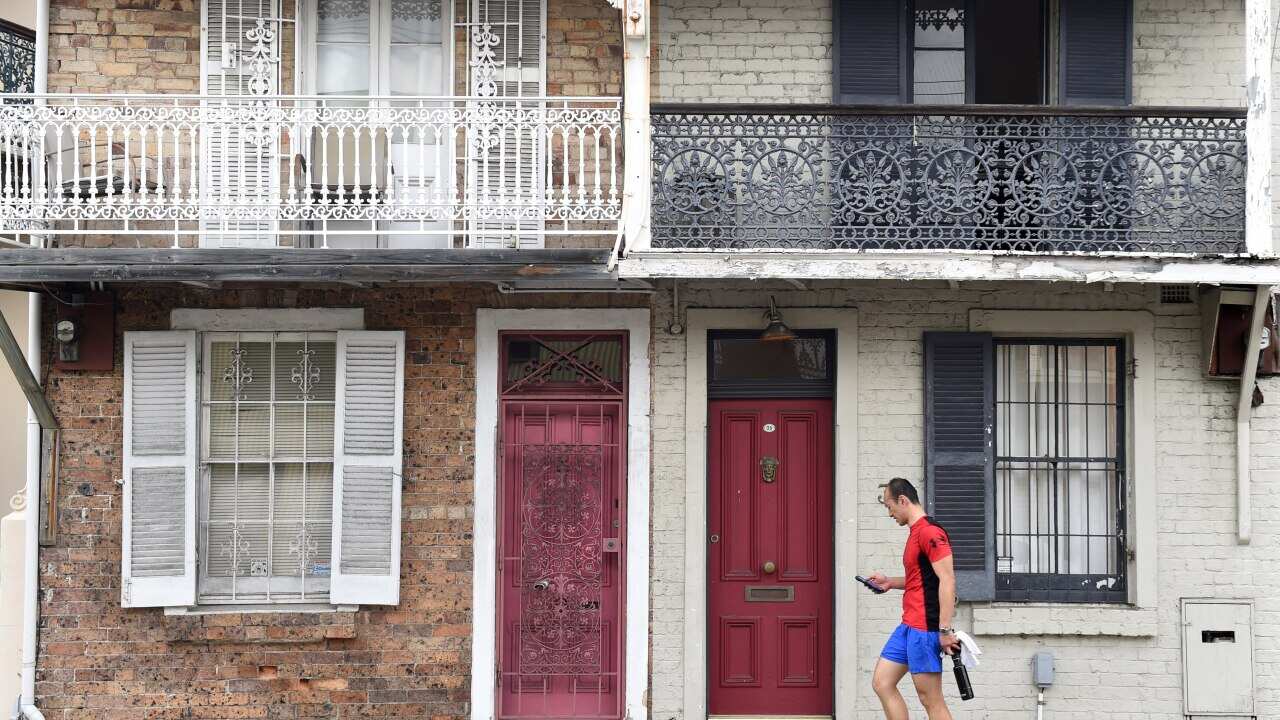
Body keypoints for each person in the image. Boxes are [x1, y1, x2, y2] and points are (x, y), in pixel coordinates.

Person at [866, 477, 960, 720]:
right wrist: (890, 583)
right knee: (882, 682)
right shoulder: (915, 532)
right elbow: (922, 580)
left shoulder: (930, 533)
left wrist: (945, 630)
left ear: (903, 500)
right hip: (908, 625)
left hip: (925, 628)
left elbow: (947, 580)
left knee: (931, 700)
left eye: (889, 506)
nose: (889, 513)